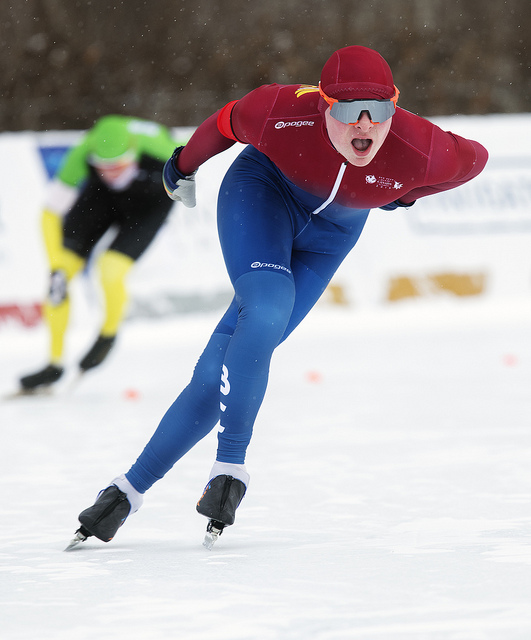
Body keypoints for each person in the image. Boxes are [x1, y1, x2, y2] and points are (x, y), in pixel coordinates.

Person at [66, 46, 488, 550]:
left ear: (395, 106)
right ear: (321, 105)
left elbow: (475, 162)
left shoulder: (421, 146)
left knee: (223, 366)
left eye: (379, 110)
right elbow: (225, 122)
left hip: (330, 239)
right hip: (260, 197)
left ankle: (126, 491)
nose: (365, 124)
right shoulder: (279, 110)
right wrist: (181, 166)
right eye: (348, 111)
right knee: (265, 307)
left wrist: (408, 193)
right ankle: (231, 467)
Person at [19, 115, 186, 393]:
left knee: (111, 269)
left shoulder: (162, 148)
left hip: (149, 203)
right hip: (102, 201)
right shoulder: (83, 152)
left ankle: (107, 336)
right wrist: (56, 267)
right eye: (103, 167)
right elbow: (49, 213)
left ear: (133, 153)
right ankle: (54, 363)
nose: (111, 174)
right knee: (59, 279)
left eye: (118, 166)